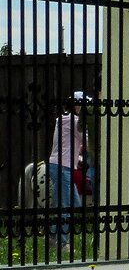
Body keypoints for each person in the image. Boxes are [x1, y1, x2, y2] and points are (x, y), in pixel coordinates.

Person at [46, 91, 90, 249]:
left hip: (60, 166)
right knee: (65, 205)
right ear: (77, 105)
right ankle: (62, 243)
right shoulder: (72, 120)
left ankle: (52, 236)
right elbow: (85, 143)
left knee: (73, 202)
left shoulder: (63, 119)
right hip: (62, 166)